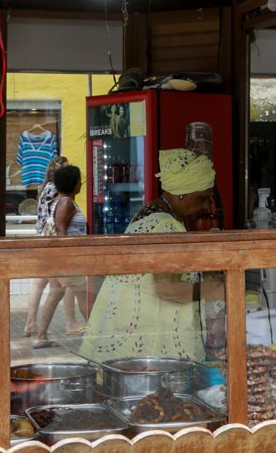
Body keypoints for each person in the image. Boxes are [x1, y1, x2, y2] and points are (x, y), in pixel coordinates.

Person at [79, 149, 222, 363]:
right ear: (183, 192)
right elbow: (168, 288)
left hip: (129, 324)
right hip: (144, 332)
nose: (203, 206)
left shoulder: (149, 212)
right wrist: (217, 289)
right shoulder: (164, 224)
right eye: (202, 198)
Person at [23, 155, 84, 337]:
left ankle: (37, 329)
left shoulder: (49, 190)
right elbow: (60, 228)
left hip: (47, 245)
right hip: (53, 248)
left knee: (52, 289)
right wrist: (64, 262)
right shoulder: (60, 196)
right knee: (74, 290)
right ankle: (73, 324)